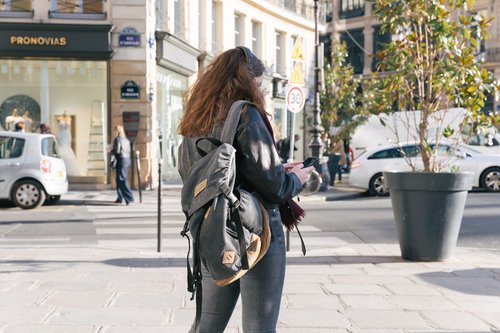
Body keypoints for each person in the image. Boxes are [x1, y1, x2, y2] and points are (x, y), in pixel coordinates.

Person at [178, 46, 314, 333]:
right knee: (259, 326)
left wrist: (276, 169)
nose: (261, 90)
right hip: (256, 230)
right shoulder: (246, 115)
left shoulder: (195, 119)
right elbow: (275, 188)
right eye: (259, 84)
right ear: (248, 80)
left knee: (206, 326)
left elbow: (191, 175)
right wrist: (297, 178)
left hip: (209, 227)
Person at [111, 125, 134, 205]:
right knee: (120, 179)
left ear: (117, 131)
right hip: (127, 160)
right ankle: (120, 197)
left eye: (115, 131)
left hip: (121, 160)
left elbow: (117, 151)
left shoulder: (117, 139)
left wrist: (111, 151)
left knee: (121, 179)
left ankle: (129, 197)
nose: (114, 132)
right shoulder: (126, 140)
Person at [56, 111, 82, 176]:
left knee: (67, 148)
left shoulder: (69, 118)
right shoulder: (59, 118)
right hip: (61, 134)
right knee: (62, 148)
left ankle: (69, 169)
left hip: (67, 135)